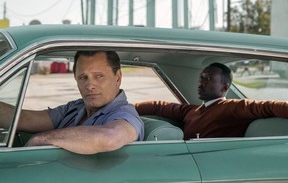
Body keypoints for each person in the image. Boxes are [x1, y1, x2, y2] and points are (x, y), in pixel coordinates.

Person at [0, 51, 144, 154]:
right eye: (83, 77)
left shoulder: (124, 113)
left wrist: (42, 139)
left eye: (99, 76)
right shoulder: (75, 108)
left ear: (118, 77)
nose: (89, 85)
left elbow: (110, 137)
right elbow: (24, 119)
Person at [134, 62, 288, 139]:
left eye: (208, 79)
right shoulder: (191, 110)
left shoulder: (232, 107)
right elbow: (158, 107)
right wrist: (125, 109)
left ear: (224, 87)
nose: (201, 83)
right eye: (201, 78)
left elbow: (269, 106)